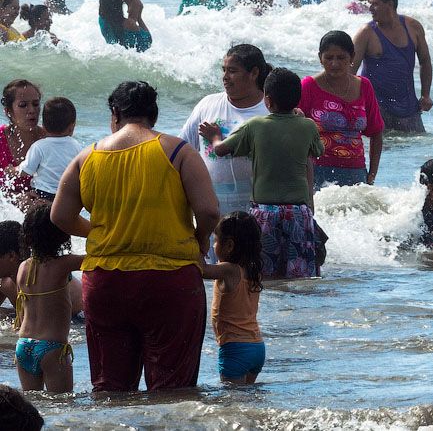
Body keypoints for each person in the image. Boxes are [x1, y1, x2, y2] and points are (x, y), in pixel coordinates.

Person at [51, 80, 220, 391]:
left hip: (105, 281)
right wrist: (201, 238)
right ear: (153, 114)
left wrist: (102, 232)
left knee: (110, 389)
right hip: (169, 280)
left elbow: (59, 215)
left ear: (115, 114)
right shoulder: (178, 151)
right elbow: (209, 211)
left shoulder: (87, 157)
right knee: (173, 390)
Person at [201, 68, 325, 279]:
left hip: (265, 212)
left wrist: (214, 136)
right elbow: (318, 151)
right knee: (300, 277)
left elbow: (220, 150)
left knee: (262, 275)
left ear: (267, 101)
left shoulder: (256, 125)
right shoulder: (308, 126)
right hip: (298, 213)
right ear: (297, 100)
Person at [180, 44, 270, 217]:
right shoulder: (208, 104)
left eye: (233, 71)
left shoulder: (269, 110)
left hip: (257, 211)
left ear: (254, 73)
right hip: (211, 208)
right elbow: (183, 150)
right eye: (224, 70)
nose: (225, 77)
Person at [299, 31, 384, 188]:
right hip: (317, 171)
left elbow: (376, 133)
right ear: (320, 58)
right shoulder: (308, 86)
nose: (335, 63)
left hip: (356, 171)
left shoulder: (364, 86)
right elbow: (293, 131)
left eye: (341, 57)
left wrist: (371, 175)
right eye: (329, 58)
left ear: (352, 57)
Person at [13, 203, 83, 393]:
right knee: (64, 405)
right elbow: (98, 258)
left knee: (33, 404)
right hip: (52, 348)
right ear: (61, 235)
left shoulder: (22, 268)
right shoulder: (64, 264)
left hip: (23, 346)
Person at [352, 0, 433, 133]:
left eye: (375, 4)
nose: (370, 8)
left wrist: (425, 95)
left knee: (416, 149)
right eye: (370, 4)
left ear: (390, 4)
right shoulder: (366, 33)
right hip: (376, 107)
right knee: (382, 150)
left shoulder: (413, 27)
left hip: (409, 107)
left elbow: (425, 61)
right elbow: (349, 72)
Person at [203, 212, 265, 384]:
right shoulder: (253, 271)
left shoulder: (228, 270)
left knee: (232, 405)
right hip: (257, 347)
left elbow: (200, 270)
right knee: (247, 401)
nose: (213, 245)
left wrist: (196, 244)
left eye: (215, 240)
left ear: (229, 245)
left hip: (235, 348)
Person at [17, 97, 81, 202]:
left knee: (39, 216)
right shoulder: (76, 145)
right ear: (72, 127)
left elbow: (26, 171)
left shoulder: (39, 146)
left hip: (42, 194)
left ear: (43, 126)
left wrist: (13, 170)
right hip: (66, 196)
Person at [1, 80, 45, 206]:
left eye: (36, 104)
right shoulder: (0, 140)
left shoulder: (49, 140)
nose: (32, 110)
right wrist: (17, 199)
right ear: (8, 111)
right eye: (23, 105)